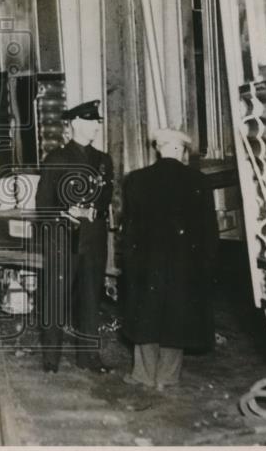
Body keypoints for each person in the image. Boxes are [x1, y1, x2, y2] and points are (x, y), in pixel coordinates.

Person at [119, 127, 218, 389]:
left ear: (159, 148)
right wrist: (206, 264)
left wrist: (128, 264)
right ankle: (167, 377)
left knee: (145, 317)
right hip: (184, 266)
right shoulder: (199, 181)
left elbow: (128, 230)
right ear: (182, 151)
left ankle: (143, 375)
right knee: (177, 318)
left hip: (146, 264)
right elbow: (210, 231)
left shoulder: (136, 180)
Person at [35, 99, 114, 374]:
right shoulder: (56, 159)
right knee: (56, 298)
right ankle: (51, 359)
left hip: (93, 240)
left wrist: (94, 209)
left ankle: (88, 357)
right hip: (63, 239)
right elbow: (43, 205)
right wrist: (65, 213)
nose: (96, 128)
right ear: (77, 124)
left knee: (91, 300)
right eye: (92, 122)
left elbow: (106, 198)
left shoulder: (103, 160)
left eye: (97, 123)